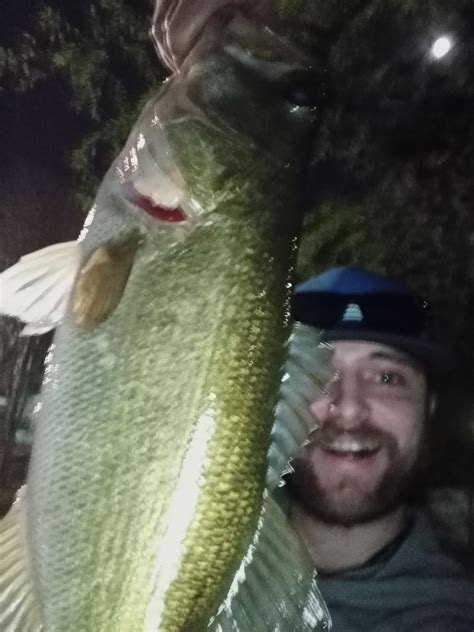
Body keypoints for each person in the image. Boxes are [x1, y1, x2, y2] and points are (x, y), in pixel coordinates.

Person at [287, 266, 474, 631]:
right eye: (316, 372)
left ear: (427, 408)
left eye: (387, 377)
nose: (349, 408)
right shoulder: (173, 543)